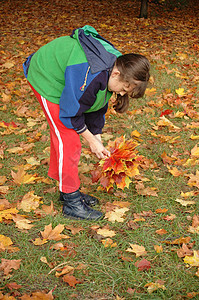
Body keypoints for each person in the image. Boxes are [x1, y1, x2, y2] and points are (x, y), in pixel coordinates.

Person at [23, 25, 150, 221]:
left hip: (70, 77)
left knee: (70, 138)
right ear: (116, 74)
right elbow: (71, 113)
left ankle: (67, 189)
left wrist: (96, 137)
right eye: (124, 88)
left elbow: (96, 103)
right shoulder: (90, 73)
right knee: (68, 139)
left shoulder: (116, 67)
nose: (122, 93)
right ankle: (71, 201)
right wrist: (90, 140)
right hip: (46, 75)